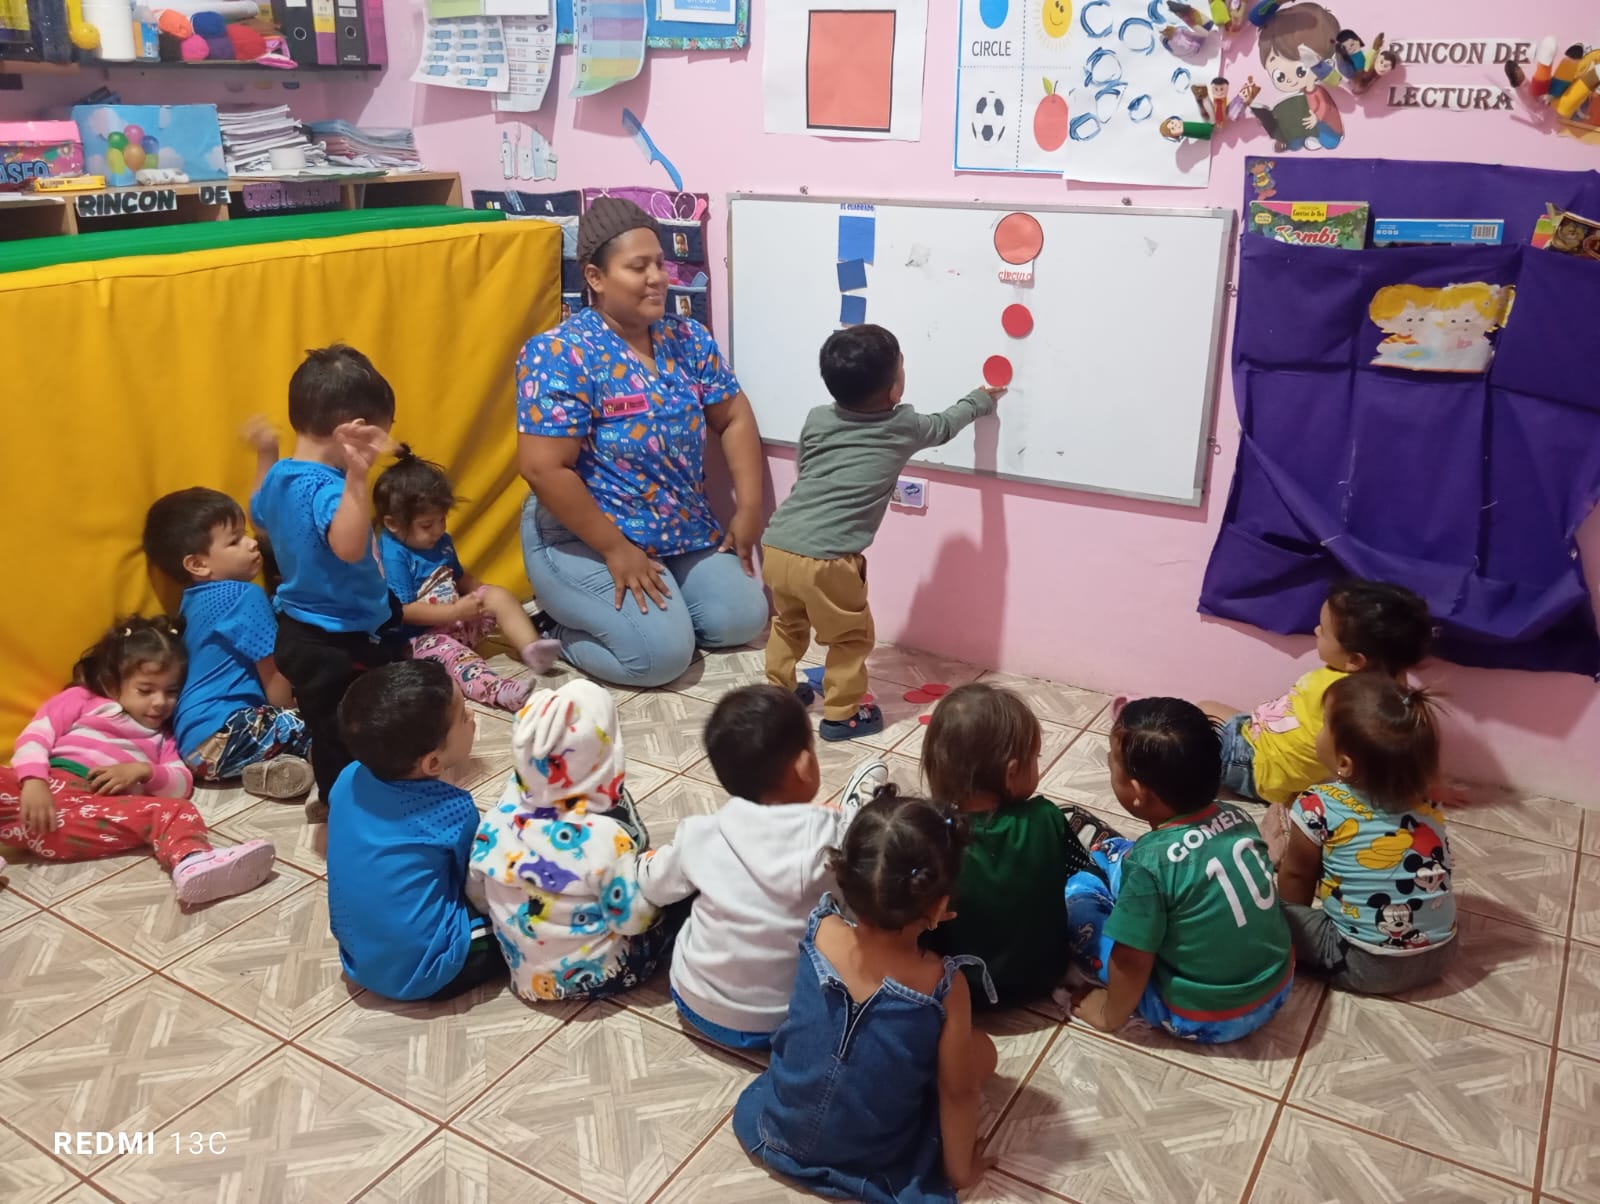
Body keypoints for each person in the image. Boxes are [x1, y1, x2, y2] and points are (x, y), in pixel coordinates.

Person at [516, 197, 768, 690]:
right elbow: (544, 469)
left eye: (660, 263)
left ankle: (659, 614)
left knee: (743, 618)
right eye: (638, 267)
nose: (658, 278)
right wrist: (615, 548)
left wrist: (750, 508)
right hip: (585, 537)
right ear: (595, 277)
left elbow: (734, 416)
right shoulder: (559, 352)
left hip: (678, 528)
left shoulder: (688, 338)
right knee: (659, 659)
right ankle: (553, 628)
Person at [733, 786, 998, 1202]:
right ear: (938, 906)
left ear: (845, 877)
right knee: (982, 1053)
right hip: (872, 1162)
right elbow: (958, 1093)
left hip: (775, 1130)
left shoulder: (822, 928)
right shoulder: (942, 986)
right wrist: (961, 1173)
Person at [761, 324, 1002, 741]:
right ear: (894, 391)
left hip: (779, 543)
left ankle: (778, 693)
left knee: (788, 623)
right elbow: (945, 425)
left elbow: (807, 465)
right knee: (850, 637)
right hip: (829, 559)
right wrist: (979, 399)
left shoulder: (817, 418)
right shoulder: (902, 426)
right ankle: (842, 715)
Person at [636, 685, 883, 1051]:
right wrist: (845, 827)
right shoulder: (828, 837)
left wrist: (644, 862)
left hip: (693, 1001)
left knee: (693, 892)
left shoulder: (701, 832)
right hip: (781, 1019)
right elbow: (861, 902)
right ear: (805, 766)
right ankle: (857, 809)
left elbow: (653, 887)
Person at [0, 617, 276, 904]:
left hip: (93, 813)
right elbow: (35, 736)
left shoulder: (164, 737)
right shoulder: (81, 699)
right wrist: (33, 781)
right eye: (145, 690)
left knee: (177, 811)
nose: (160, 702)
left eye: (171, 692)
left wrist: (143, 771)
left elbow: (181, 784)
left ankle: (193, 861)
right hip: (36, 800)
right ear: (113, 684)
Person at [1066, 697, 1294, 1045]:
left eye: (1113, 761)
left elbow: (1131, 961)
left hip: (1202, 1016)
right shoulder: (1238, 817)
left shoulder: (1150, 866)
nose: (1110, 763)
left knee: (1078, 896)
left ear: (1138, 793)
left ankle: (1097, 869)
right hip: (1276, 988)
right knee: (1142, 862)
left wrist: (1108, 1014)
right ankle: (1112, 856)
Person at [249, 344, 409, 822]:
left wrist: (265, 454)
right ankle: (356, 807)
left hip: (301, 628)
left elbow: (259, 518)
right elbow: (349, 546)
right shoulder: (329, 488)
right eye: (379, 434)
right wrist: (358, 477)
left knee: (325, 724)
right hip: (342, 637)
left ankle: (332, 795)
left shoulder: (281, 476)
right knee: (357, 723)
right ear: (351, 432)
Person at [470, 679, 671, 1002]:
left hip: (525, 980)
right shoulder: (605, 838)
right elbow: (630, 921)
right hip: (606, 976)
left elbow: (479, 898)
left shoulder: (493, 822)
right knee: (670, 896)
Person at [326, 660, 505, 1002]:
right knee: (528, 916)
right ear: (432, 763)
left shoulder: (348, 777)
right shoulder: (452, 809)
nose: (472, 716)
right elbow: (477, 883)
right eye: (463, 715)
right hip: (429, 970)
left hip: (358, 958)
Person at [920, 683, 1100, 1008]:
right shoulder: (1046, 817)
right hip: (1043, 976)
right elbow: (1076, 870)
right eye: (1035, 758)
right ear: (1011, 773)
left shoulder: (929, 838)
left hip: (964, 990)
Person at [1276, 674, 1456, 993]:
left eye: (1324, 725)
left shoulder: (1316, 805)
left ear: (1344, 763)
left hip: (1365, 964)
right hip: (1441, 955)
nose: (1318, 731)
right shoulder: (1429, 802)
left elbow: (1297, 876)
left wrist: (1289, 922)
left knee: (1266, 912)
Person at [1199, 578, 1432, 809]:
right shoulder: (1378, 686)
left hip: (1256, 767)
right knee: (1209, 707)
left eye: (1324, 631)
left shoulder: (1349, 699)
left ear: (1354, 659)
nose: (1316, 630)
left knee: (1197, 719)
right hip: (1260, 740)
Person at [142, 487, 313, 799]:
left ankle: (265, 772)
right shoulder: (243, 595)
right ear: (198, 564)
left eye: (245, 533)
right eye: (235, 541)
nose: (251, 543)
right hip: (227, 729)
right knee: (327, 722)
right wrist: (292, 712)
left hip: (196, 748)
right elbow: (274, 672)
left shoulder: (190, 601)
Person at [373, 445, 560, 712]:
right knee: (456, 657)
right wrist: (454, 612)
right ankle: (498, 691)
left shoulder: (440, 541)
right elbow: (403, 611)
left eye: (442, 519)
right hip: (419, 642)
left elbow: (459, 578)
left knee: (497, 595)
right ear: (392, 524)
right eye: (427, 525)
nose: (439, 530)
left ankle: (532, 648)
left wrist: (482, 595)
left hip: (455, 622)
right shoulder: (394, 554)